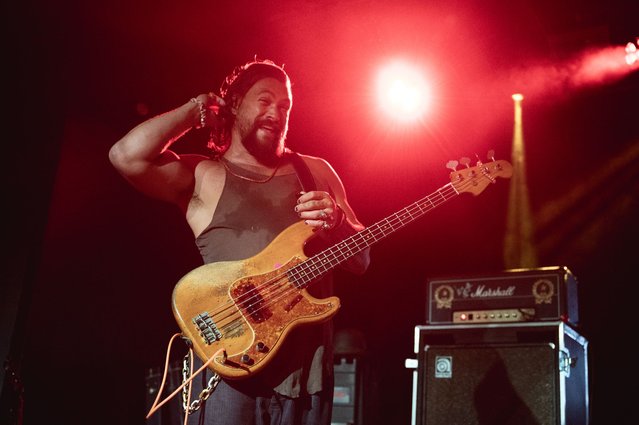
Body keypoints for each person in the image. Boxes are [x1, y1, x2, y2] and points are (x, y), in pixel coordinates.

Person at [109, 58, 370, 425]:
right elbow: (125, 156)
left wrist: (339, 222)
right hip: (226, 369)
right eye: (264, 101)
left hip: (304, 374)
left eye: (284, 107)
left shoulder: (317, 171)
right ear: (233, 105)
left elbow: (361, 260)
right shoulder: (205, 174)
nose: (275, 114)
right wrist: (195, 110)